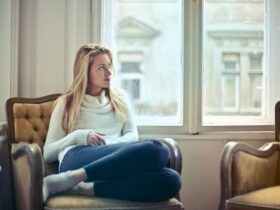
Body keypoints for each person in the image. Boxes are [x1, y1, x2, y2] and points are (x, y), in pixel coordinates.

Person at [42, 43, 181, 202]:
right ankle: (72, 176)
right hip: (77, 156)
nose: (108, 73)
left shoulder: (119, 99)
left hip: (114, 156)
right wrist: (78, 136)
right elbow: (48, 153)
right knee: (157, 149)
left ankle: (81, 186)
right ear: (85, 72)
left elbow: (132, 135)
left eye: (109, 66)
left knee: (171, 179)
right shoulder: (67, 103)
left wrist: (109, 143)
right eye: (101, 68)